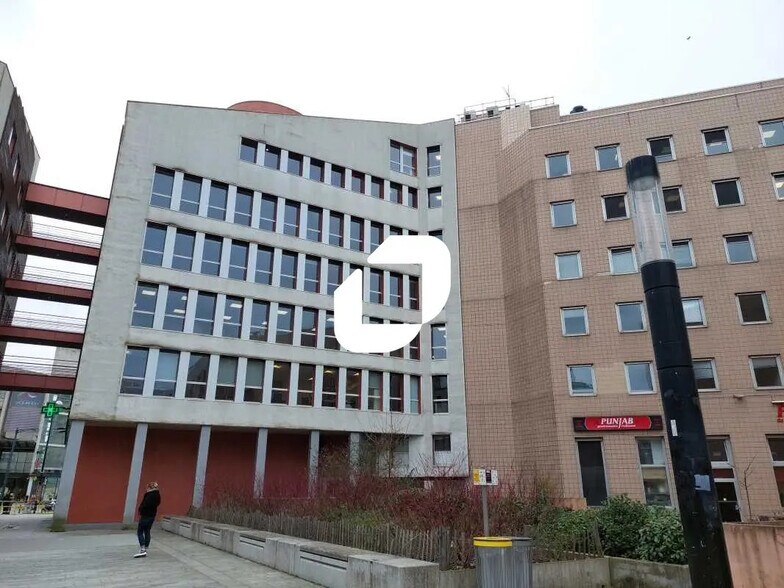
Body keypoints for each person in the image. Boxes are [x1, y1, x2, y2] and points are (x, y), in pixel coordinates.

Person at [133, 482, 161, 558]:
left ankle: (142, 549)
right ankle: (146, 547)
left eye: (148, 487)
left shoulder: (149, 495)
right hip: (152, 516)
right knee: (147, 531)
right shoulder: (157, 495)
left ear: (150, 488)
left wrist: (141, 510)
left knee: (140, 531)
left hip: (145, 515)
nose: (147, 489)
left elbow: (145, 505)